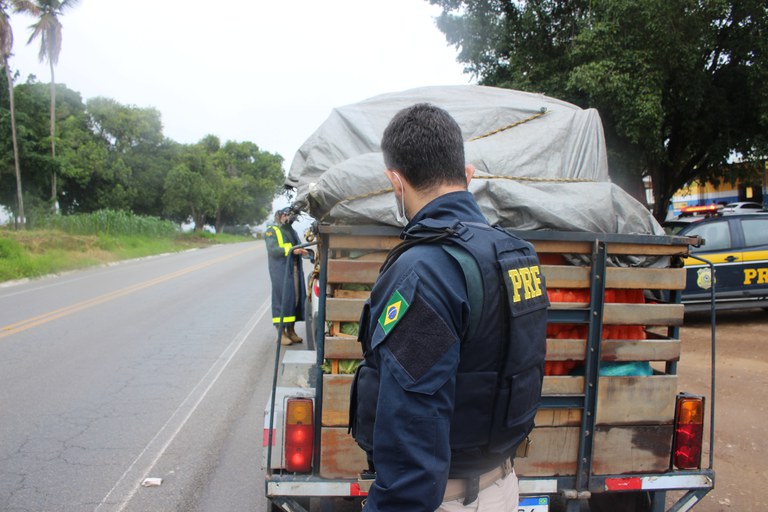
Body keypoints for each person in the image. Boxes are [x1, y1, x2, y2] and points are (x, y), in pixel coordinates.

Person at [349, 103, 549, 511]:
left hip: (443, 500)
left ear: (396, 181)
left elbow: (412, 436)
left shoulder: (425, 271)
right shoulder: (517, 254)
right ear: (468, 175)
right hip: (503, 486)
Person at [265, 207, 307, 345]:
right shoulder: (272, 230)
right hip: (281, 270)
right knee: (282, 298)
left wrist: (303, 250)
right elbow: (273, 249)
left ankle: (291, 330)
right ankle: (281, 333)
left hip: (293, 268)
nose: (289, 218)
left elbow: (296, 244)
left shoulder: (291, 230)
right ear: (280, 215)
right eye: (286, 215)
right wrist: (291, 250)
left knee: (294, 299)